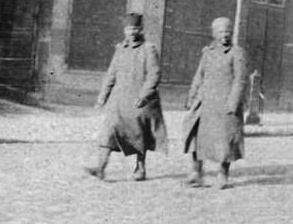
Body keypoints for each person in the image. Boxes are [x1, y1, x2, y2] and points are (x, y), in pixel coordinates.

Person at [84, 13, 167, 181]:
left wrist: (144, 95)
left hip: (141, 101)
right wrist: (102, 97)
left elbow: (154, 74)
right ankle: (101, 167)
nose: (132, 32)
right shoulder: (120, 49)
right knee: (109, 129)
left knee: (139, 132)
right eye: (129, 29)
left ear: (141, 30)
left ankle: (140, 168)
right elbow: (111, 74)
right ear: (124, 30)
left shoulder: (148, 49)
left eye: (135, 28)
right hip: (120, 99)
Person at [182, 17, 247, 189]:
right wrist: (192, 95)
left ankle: (223, 174)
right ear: (214, 33)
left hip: (226, 103)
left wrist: (233, 104)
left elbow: (240, 80)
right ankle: (197, 172)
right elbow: (199, 75)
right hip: (206, 101)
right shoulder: (207, 52)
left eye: (228, 31)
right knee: (196, 134)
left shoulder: (236, 52)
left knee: (226, 138)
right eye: (221, 32)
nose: (225, 35)